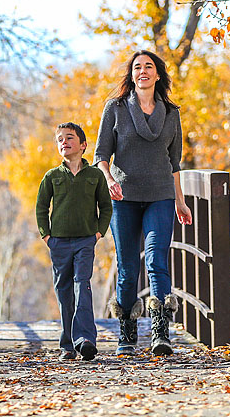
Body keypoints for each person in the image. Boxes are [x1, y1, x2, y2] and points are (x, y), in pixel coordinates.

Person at [94, 50, 193, 356]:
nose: (143, 71)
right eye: (137, 67)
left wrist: (181, 201)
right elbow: (101, 156)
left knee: (156, 262)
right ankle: (127, 331)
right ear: (132, 75)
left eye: (149, 66)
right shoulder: (116, 108)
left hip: (160, 196)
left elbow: (174, 163)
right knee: (126, 268)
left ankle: (160, 332)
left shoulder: (171, 113)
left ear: (158, 74)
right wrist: (110, 180)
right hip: (124, 197)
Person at [35, 122, 112, 361]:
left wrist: (98, 233)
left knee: (82, 285)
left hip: (85, 241)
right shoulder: (52, 176)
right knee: (64, 292)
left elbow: (106, 207)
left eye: (69, 138)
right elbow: (40, 208)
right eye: (60, 139)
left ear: (83, 145)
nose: (64, 142)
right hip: (58, 243)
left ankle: (86, 339)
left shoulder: (95, 176)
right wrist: (46, 236)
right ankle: (67, 344)